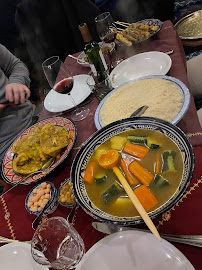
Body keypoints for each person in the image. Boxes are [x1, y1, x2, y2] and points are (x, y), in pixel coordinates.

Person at [0, 44, 35, 169]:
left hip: (33, 116)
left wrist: (16, 82)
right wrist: (4, 105)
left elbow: (16, 65)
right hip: (8, 149)